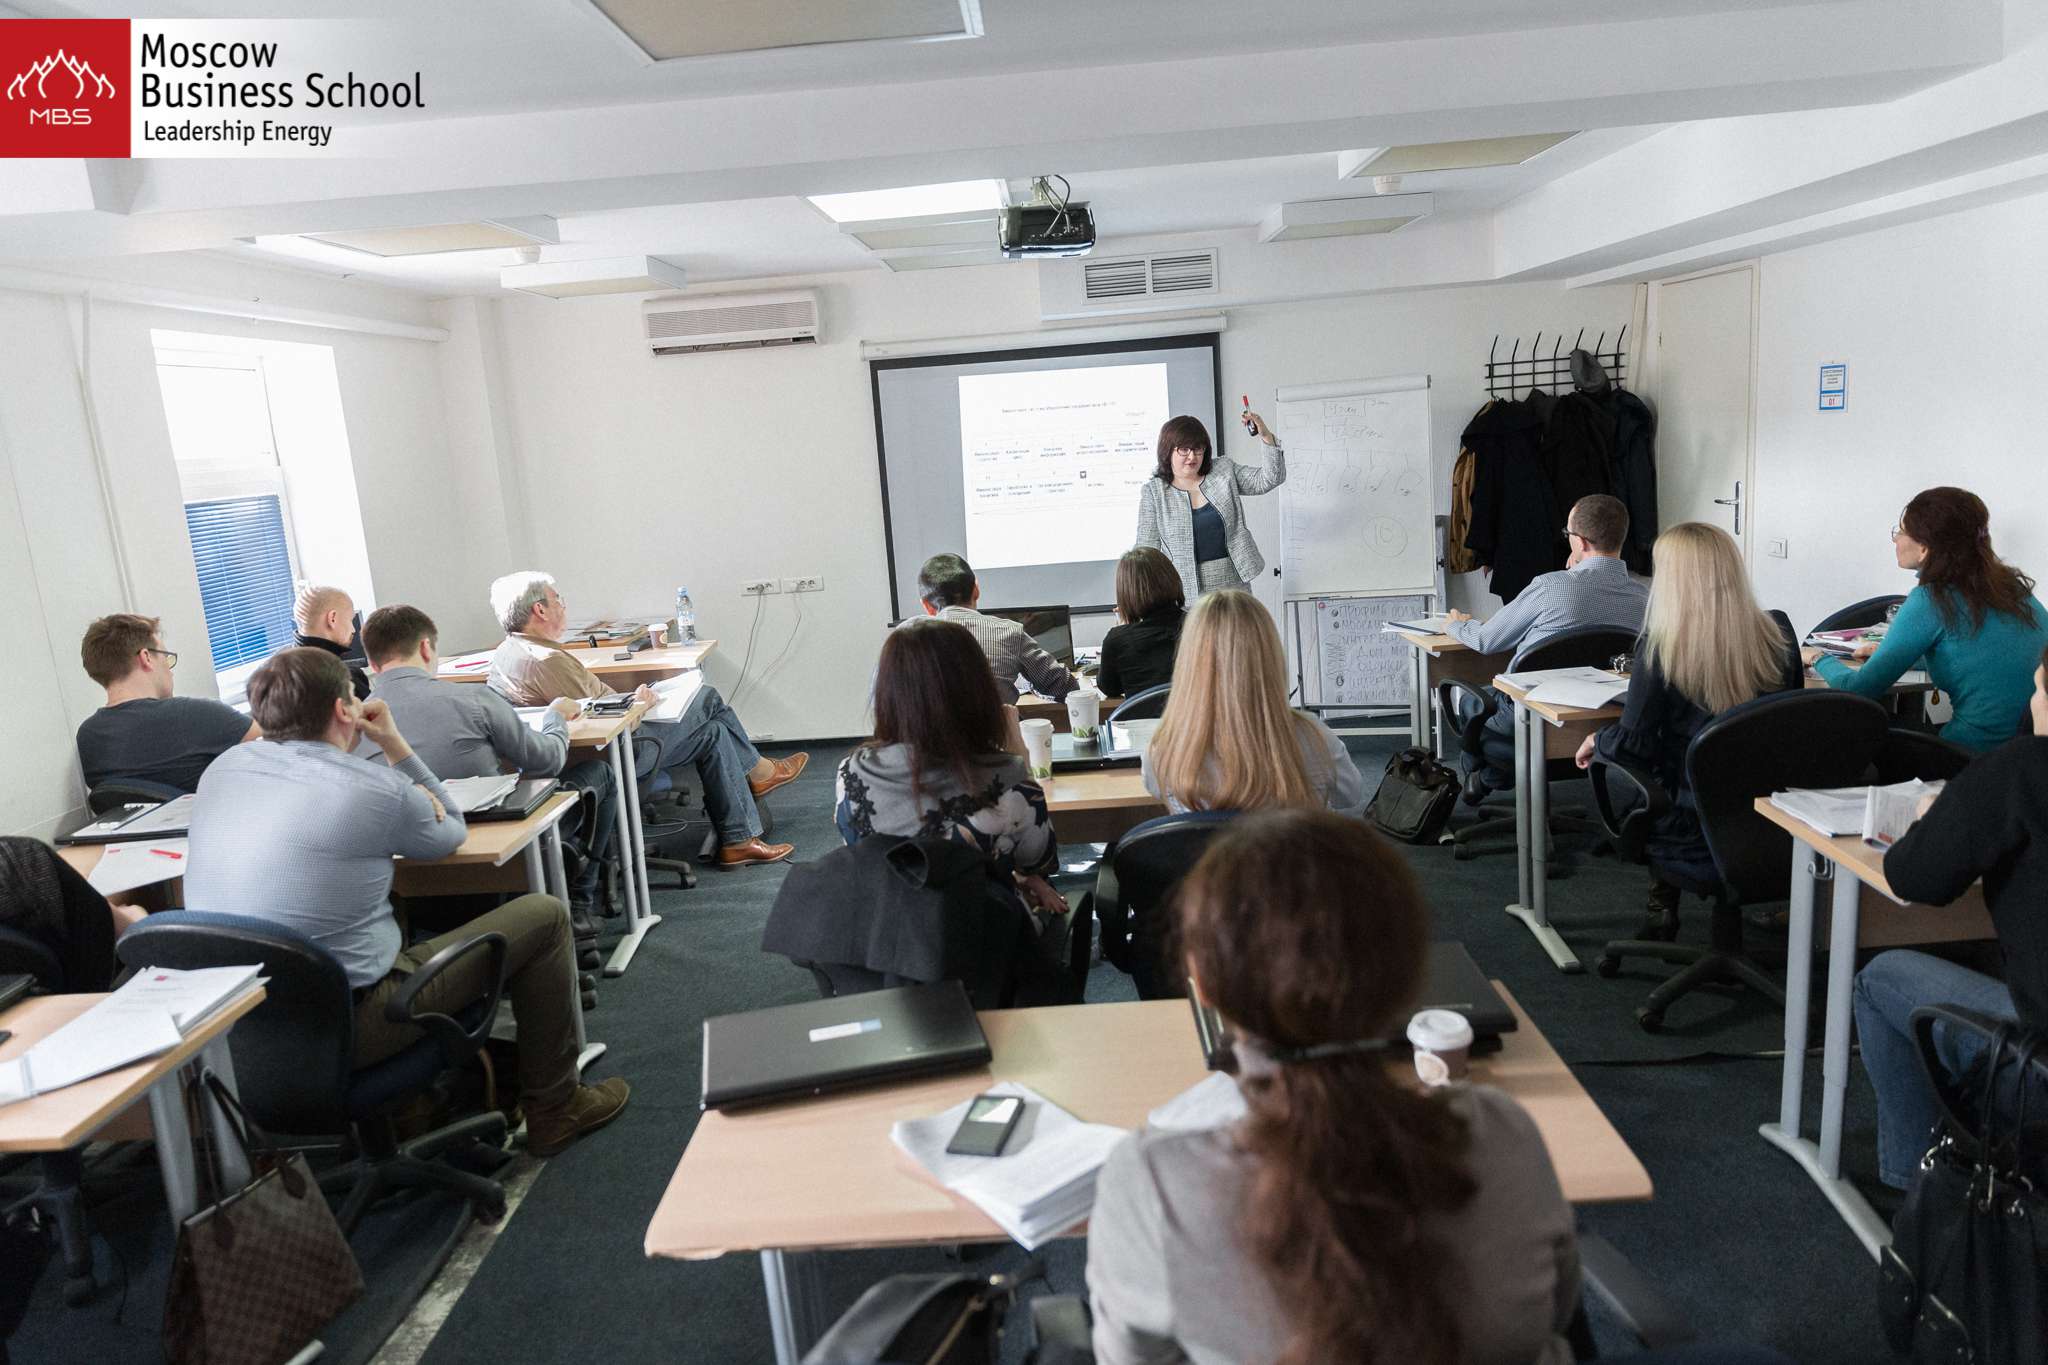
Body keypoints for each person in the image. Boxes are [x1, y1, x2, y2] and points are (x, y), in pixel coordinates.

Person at [1087, 809, 1579, 1365]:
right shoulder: (1503, 1133)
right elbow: (1555, 1315)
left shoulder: (1153, 1184)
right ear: (1414, 975)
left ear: (1201, 986)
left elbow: (1130, 1357)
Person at [185, 648, 629, 1156]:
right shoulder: (371, 786)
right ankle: (557, 1107)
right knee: (545, 916)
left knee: (385, 903)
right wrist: (393, 743)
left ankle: (414, 1105)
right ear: (344, 710)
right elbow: (452, 831)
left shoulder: (222, 770)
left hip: (239, 1029)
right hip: (352, 1024)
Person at [1853, 644, 2048, 1189]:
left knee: (1879, 979)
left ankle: (1923, 1191)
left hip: (2039, 1073)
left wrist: (1933, 816)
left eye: (2038, 689)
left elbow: (1911, 877)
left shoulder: (2021, 771)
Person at [1574, 523, 1804, 941]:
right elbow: (1787, 720)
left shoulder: (1661, 648)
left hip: (1693, 824)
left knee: (1631, 774)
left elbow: (1634, 746)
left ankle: (1662, 904)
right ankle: (1669, 904)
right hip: (1772, 818)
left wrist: (1598, 739)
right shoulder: (1779, 633)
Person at [485, 571, 803, 868]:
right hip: (614, 751)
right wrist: (639, 704)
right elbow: (603, 718)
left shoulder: (508, 650)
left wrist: (632, 699)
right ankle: (759, 772)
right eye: (558, 600)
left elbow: (588, 706)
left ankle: (738, 841)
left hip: (578, 750)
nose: (563, 606)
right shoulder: (547, 660)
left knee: (714, 733)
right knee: (706, 697)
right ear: (540, 610)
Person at [361, 604, 618, 926]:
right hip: (495, 855)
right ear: (426, 648)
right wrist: (555, 718)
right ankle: (579, 906)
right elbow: (547, 760)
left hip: (398, 870)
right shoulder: (473, 698)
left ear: (372, 663)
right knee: (600, 772)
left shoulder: (355, 721)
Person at [835, 619, 1066, 926]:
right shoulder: (1009, 783)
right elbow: (1039, 860)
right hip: (978, 937)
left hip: (879, 936)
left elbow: (868, 856)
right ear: (978, 690)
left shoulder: (851, 772)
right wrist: (1020, 760)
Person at [1806, 487, 2048, 752]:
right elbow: (1980, 656)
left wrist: (1817, 657)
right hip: (2029, 755)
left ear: (1924, 547)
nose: (1895, 540)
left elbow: (1857, 690)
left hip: (1970, 756)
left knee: (1862, 725)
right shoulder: (2011, 588)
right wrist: (1896, 657)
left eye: (1901, 531)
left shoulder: (1932, 599)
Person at [1446, 493, 1650, 798]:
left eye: (1568, 534)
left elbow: (1486, 640)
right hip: (1602, 719)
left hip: (1532, 716)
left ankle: (1486, 776)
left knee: (1470, 701)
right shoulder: (1642, 598)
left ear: (1580, 542)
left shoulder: (1551, 586)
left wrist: (1454, 624)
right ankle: (1492, 776)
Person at [1143, 590, 1365, 816]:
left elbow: (1155, 790)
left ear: (1188, 661)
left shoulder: (1163, 747)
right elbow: (1351, 795)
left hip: (1207, 842)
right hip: (1297, 840)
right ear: (1271, 654)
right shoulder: (1314, 735)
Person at [75, 613, 259, 794]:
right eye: (166, 657)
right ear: (146, 657)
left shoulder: (88, 737)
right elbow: (269, 741)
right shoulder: (194, 715)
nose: (171, 672)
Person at [1133, 410, 1284, 602]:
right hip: (1183, 590)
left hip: (1234, 585)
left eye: (1198, 449)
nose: (1192, 456)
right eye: (1184, 449)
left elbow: (1269, 479)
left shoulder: (1223, 470)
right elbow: (1146, 549)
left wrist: (1265, 436)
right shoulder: (1154, 492)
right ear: (1167, 450)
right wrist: (1135, 599)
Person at [912, 554, 1077, 704]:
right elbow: (1064, 686)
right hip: (996, 728)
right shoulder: (1009, 632)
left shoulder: (907, 641)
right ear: (976, 590)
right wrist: (1024, 679)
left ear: (926, 606)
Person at [1096, 547, 1186, 699]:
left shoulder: (1118, 640)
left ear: (1126, 592)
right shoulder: (1202, 626)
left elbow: (1109, 688)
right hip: (1195, 714)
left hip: (1146, 716)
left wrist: (1123, 629)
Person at [294, 584, 371, 701]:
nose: (353, 629)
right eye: (350, 620)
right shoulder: (347, 680)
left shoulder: (275, 670)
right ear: (332, 619)